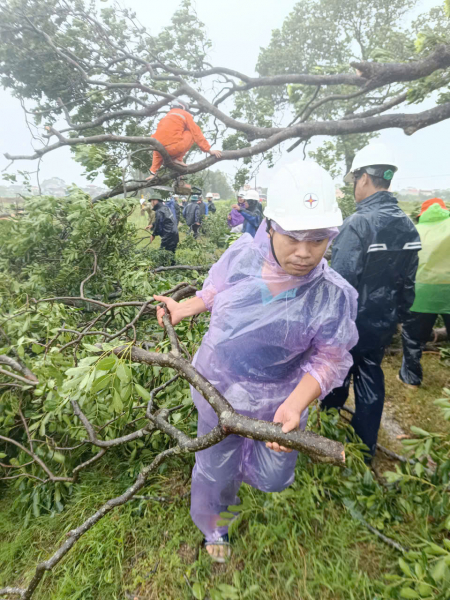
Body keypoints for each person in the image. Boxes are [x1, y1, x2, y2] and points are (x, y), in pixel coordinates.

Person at [154, 160, 358, 562]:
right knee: (215, 469)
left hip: (278, 398)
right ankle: (217, 529)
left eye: (317, 240)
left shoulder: (331, 294)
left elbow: (331, 358)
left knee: (271, 478)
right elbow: (214, 290)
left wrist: (295, 406)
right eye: (293, 236)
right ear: (270, 225)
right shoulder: (243, 256)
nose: (304, 252)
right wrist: (184, 308)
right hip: (218, 385)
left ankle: (240, 494)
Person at [321, 143, 421, 459]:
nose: (354, 188)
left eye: (354, 181)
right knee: (370, 375)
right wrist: (400, 317)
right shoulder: (407, 224)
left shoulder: (358, 223)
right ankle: (364, 450)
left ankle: (328, 433)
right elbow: (408, 282)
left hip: (351, 322)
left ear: (364, 178)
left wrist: (328, 323)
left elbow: (340, 281)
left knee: (337, 373)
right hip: (382, 323)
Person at [399, 198, 450, 388]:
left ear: (422, 215)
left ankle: (411, 379)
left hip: (421, 292)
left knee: (413, 338)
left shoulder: (414, 231)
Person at [147, 99, 222, 179]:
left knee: (159, 139)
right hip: (174, 148)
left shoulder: (165, 118)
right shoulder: (185, 114)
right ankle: (178, 159)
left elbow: (158, 143)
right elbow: (196, 132)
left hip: (159, 151)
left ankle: (154, 173)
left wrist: (154, 171)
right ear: (183, 107)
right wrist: (208, 150)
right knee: (191, 132)